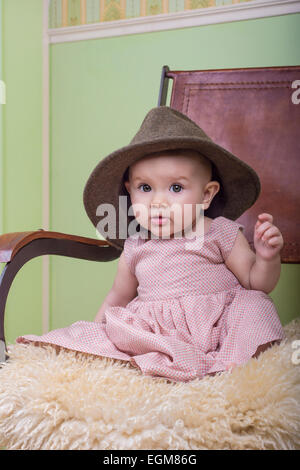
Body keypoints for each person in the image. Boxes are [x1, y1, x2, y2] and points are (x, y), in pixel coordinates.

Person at [17, 106, 285, 383]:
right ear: (129, 191)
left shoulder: (219, 232)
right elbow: (117, 297)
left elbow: (257, 283)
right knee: (111, 328)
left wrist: (266, 258)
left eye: (176, 188)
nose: (158, 202)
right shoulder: (136, 245)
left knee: (255, 303)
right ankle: (159, 361)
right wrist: (94, 331)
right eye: (145, 188)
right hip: (157, 338)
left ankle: (228, 365)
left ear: (207, 195)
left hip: (217, 328)